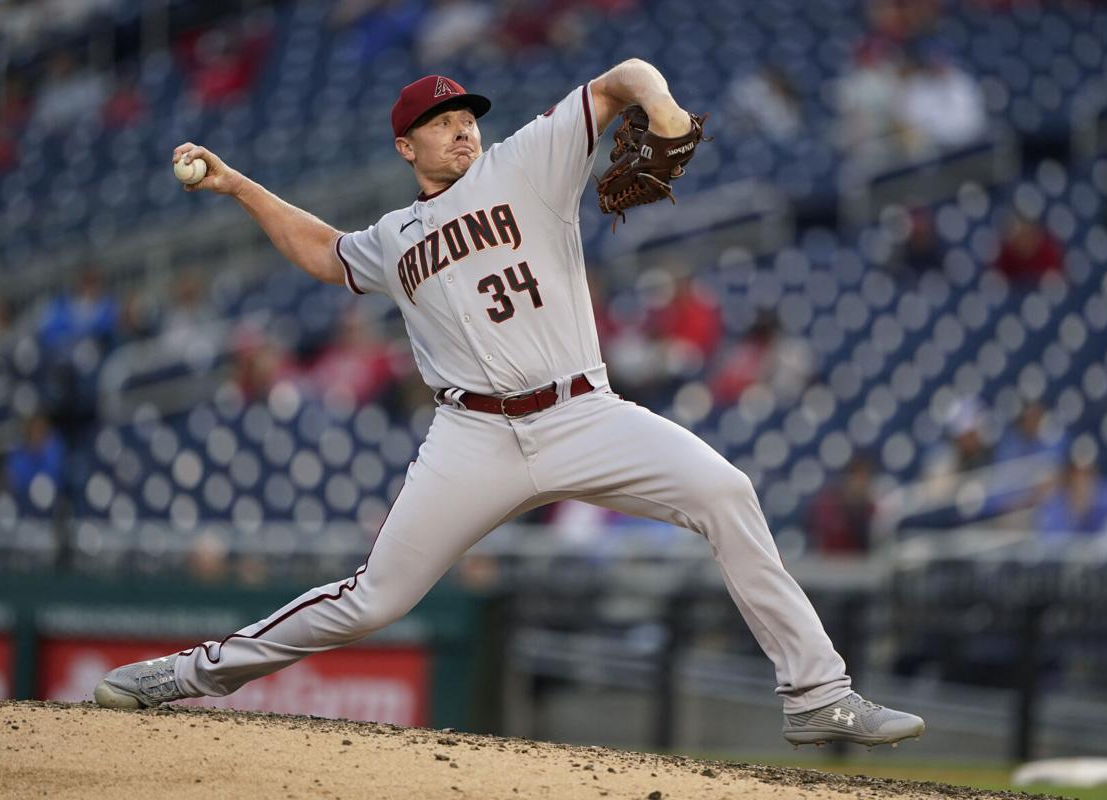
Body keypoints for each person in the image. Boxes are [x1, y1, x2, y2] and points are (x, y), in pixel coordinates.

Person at [93, 61, 924, 748]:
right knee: (375, 599)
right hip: (472, 438)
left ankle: (818, 693)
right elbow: (324, 253)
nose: (462, 127)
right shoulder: (394, 237)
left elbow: (620, 79)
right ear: (404, 143)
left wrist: (663, 111)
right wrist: (240, 186)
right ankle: (187, 673)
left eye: (467, 115)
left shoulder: (525, 162)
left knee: (725, 492)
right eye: (443, 119)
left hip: (582, 413)